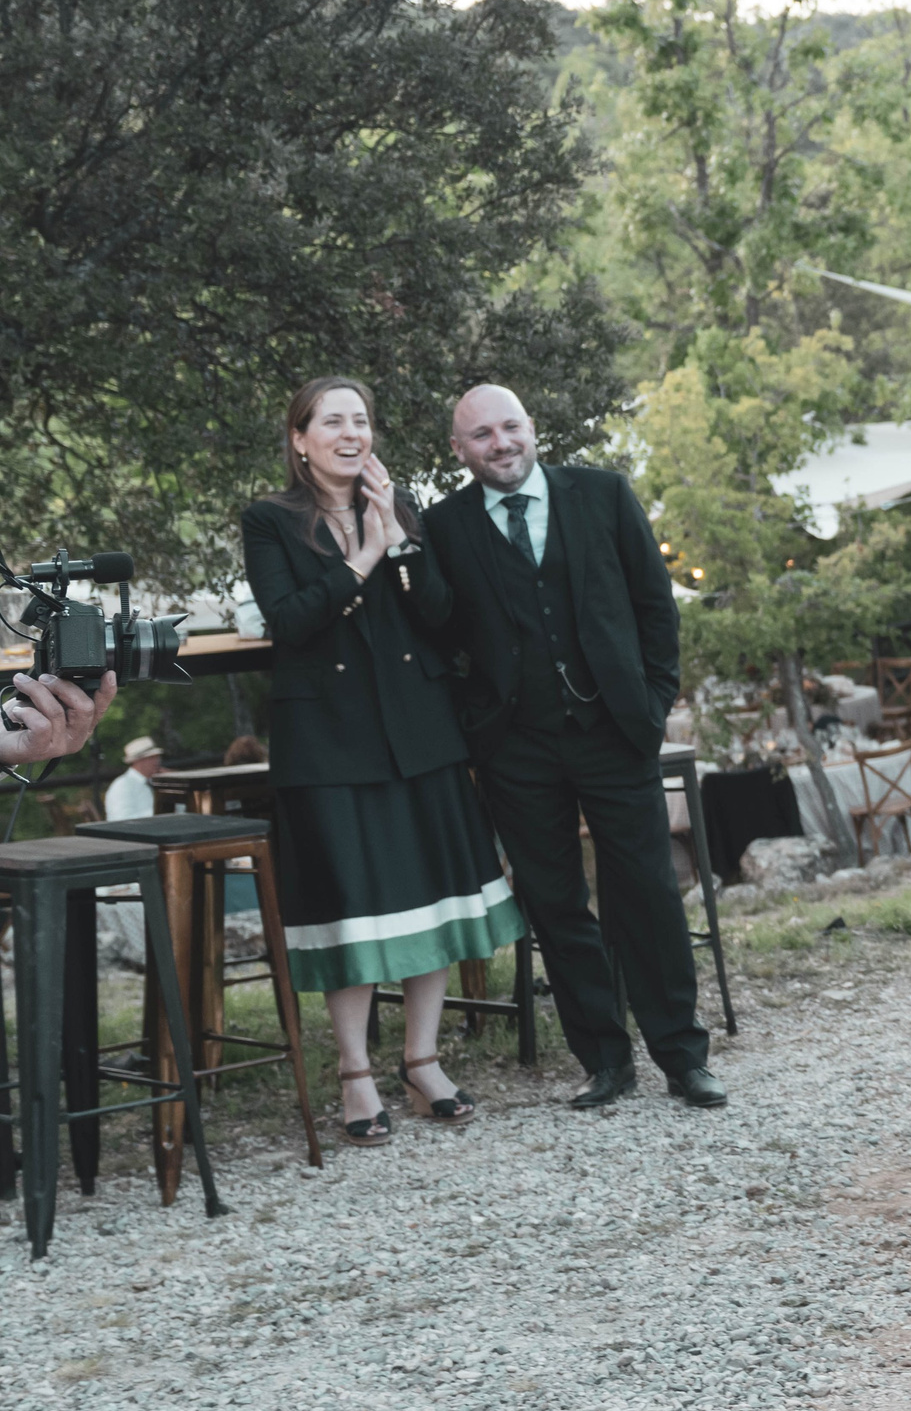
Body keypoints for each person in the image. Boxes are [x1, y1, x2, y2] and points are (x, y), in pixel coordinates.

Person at [242, 377, 527, 1146]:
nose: (351, 433)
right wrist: (363, 554)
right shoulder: (270, 520)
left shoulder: (403, 508)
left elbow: (440, 616)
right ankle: (355, 1072)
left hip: (419, 729)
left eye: (360, 420)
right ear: (300, 439)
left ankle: (422, 1061)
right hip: (328, 741)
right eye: (332, 421)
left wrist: (396, 539)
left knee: (429, 895)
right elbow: (290, 621)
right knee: (353, 902)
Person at [424, 385, 723, 1112]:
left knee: (649, 892)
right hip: (514, 747)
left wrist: (652, 703)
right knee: (556, 903)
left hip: (614, 731)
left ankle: (683, 1056)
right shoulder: (444, 526)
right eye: (481, 435)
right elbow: (439, 633)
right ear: (458, 450)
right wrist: (475, 723)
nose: (501, 443)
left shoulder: (603, 494)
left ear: (533, 428)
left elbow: (655, 605)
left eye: (510, 427)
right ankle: (605, 1060)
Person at [102, 734, 163, 820]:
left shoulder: (153, 782)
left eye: (157, 757)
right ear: (138, 760)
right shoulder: (122, 785)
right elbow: (121, 820)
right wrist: (161, 812)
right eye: (151, 757)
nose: (157, 761)